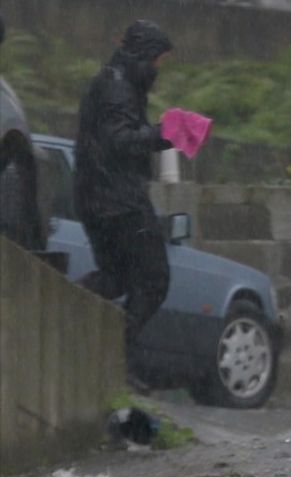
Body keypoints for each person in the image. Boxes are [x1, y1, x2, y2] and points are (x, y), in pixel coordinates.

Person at [73, 20, 175, 390]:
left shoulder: (116, 82)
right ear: (144, 56)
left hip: (98, 198)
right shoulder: (118, 88)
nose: (159, 72)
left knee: (116, 276)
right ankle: (115, 356)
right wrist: (166, 133)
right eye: (159, 62)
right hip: (118, 201)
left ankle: (72, 314)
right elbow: (120, 141)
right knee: (153, 280)